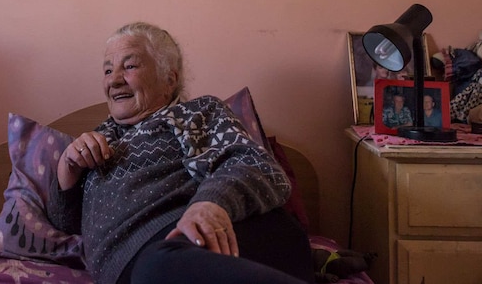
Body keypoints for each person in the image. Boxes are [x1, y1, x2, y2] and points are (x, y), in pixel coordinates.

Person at [47, 22, 314, 284]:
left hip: (219, 236)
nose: (114, 80)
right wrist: (67, 167)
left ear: (169, 79)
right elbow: (65, 225)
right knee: (152, 267)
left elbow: (254, 164)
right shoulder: (95, 142)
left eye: (129, 66)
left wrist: (211, 204)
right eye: (107, 70)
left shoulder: (195, 113)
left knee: (156, 266)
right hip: (138, 267)